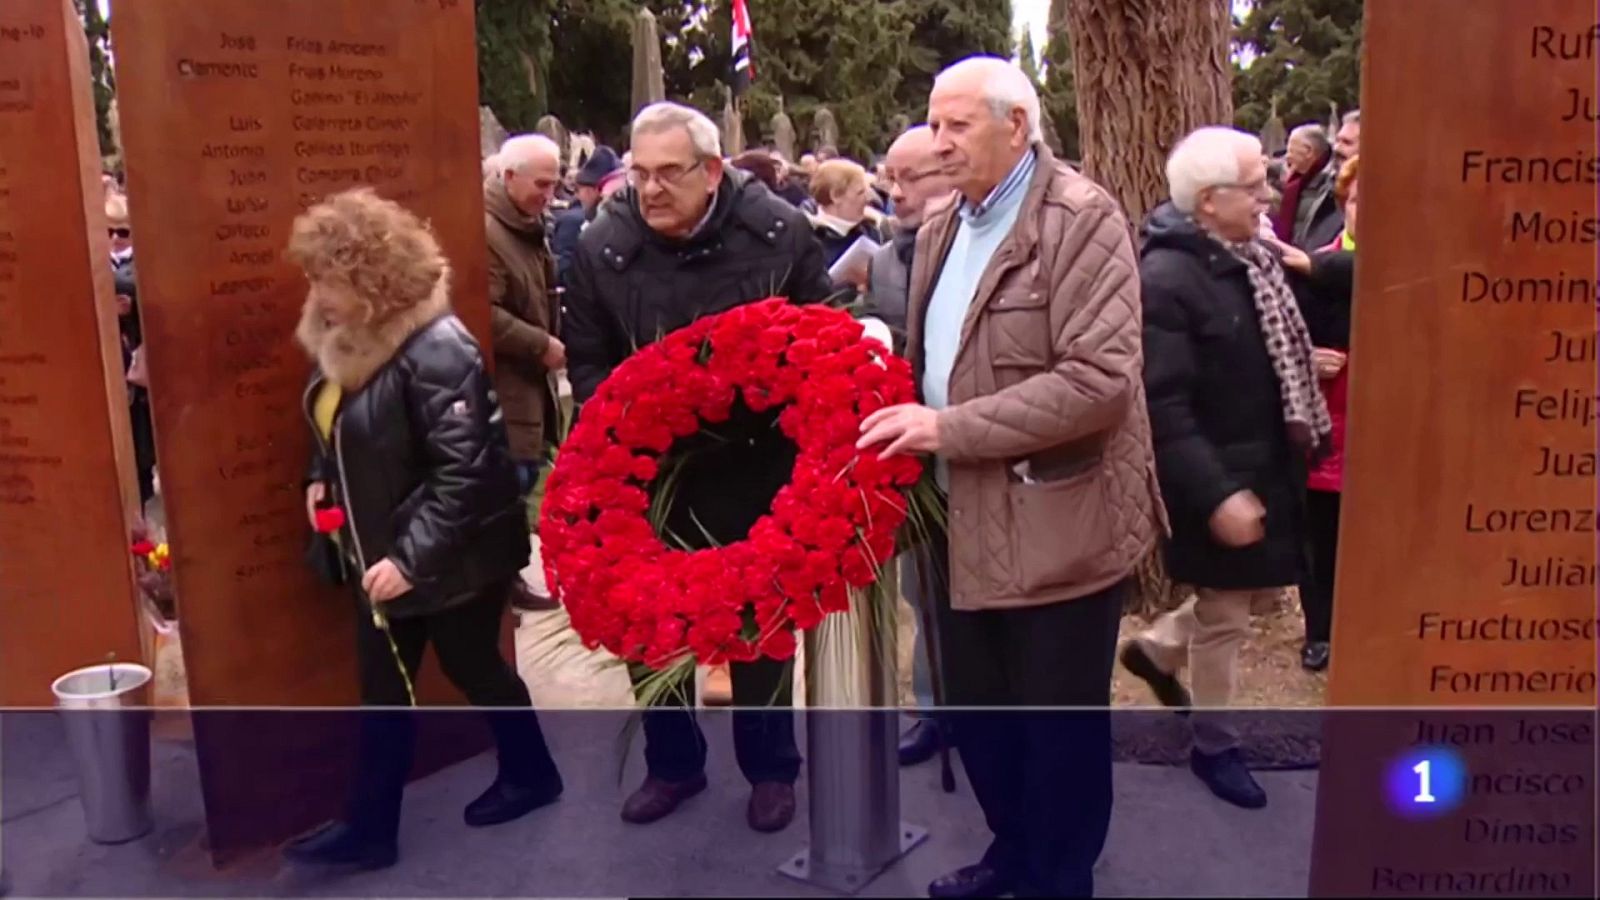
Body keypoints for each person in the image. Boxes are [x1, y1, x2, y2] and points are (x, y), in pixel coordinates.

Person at [857, 57, 1163, 898]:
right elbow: (940, 358)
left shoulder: (1082, 218)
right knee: (979, 717)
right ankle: (1012, 855)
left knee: (1054, 734)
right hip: (955, 520)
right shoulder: (941, 224)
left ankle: (1059, 877)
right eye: (933, 122)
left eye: (958, 125)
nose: (937, 141)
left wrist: (945, 428)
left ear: (1017, 126)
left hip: (1055, 525)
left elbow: (1100, 383)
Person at [564, 101, 832, 832]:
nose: (649, 190)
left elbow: (824, 335)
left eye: (668, 174)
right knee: (648, 623)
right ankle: (673, 764)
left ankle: (772, 769)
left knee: (759, 624)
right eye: (638, 174)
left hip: (756, 462)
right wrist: (622, 432)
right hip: (648, 474)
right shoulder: (603, 245)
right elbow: (587, 357)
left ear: (712, 171)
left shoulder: (776, 233)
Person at [284, 188, 563, 870]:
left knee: (477, 668)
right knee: (384, 689)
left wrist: (409, 560)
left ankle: (531, 775)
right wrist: (320, 475)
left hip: (449, 556)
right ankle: (371, 828)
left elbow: (466, 473)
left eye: (328, 279)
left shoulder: (438, 350)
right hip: (383, 549)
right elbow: (338, 422)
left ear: (372, 282)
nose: (316, 294)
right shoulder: (351, 339)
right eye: (314, 277)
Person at [1120, 127, 1329, 812]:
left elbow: (1261, 349)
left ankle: (1157, 648)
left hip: (1264, 467)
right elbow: (1164, 404)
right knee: (1227, 618)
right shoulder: (1168, 278)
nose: (1270, 193)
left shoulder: (1254, 257)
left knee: (1241, 601)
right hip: (1219, 479)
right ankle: (1216, 744)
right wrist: (1216, 494)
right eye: (1255, 184)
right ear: (1209, 202)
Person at [863, 124, 959, 767]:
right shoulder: (882, 257)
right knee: (921, 595)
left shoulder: (980, 244)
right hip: (911, 456)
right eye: (889, 179)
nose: (896, 193)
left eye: (912, 178)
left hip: (984, 446)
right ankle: (933, 711)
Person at [484, 135, 566, 612]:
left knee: (516, 487)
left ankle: (507, 583)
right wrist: (542, 344)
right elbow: (485, 312)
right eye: (541, 184)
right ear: (508, 177)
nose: (550, 195)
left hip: (526, 387)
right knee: (505, 489)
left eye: (554, 184)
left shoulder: (524, 225)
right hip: (507, 390)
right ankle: (498, 593)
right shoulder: (491, 233)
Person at [1291, 154, 1359, 672]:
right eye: (1357, 200)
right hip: (1329, 426)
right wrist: (1309, 358)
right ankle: (1320, 632)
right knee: (1322, 538)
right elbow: (1288, 344)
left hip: (1386, 432)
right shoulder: (1312, 270)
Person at [104, 194, 156, 509]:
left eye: (122, 232)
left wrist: (130, 310)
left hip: (138, 363)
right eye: (109, 231)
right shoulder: (98, 261)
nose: (114, 239)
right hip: (112, 360)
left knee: (141, 434)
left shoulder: (141, 266)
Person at [551, 145, 622, 286]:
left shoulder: (573, 221)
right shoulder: (575, 220)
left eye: (579, 189)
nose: (577, 195)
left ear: (593, 189)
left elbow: (562, 271)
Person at [808, 158, 885, 271]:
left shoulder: (873, 229)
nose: (868, 199)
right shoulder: (807, 239)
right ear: (835, 196)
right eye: (860, 192)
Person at [1275, 124, 1343, 250]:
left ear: (1308, 151)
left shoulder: (1331, 188)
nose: (1287, 157)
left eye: (1290, 150)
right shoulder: (1295, 182)